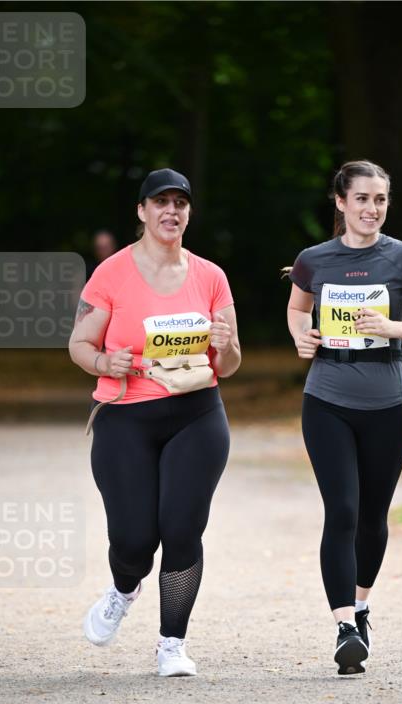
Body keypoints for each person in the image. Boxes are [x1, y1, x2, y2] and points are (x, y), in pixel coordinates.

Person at [286, 159, 402, 676]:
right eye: (361, 198)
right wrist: (301, 335)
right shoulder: (314, 259)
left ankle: (361, 607)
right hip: (327, 401)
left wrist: (391, 327)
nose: (371, 209)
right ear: (340, 202)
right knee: (341, 510)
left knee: (372, 517)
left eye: (380, 199)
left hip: (387, 403)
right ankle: (343, 628)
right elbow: (297, 308)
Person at [69, 168, 240, 677]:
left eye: (181, 204)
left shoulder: (211, 276)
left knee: (183, 530)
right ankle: (123, 588)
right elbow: (78, 344)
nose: (172, 212)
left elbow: (229, 365)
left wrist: (226, 344)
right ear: (142, 211)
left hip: (197, 415)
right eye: (160, 202)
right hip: (126, 417)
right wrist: (104, 363)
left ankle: (172, 644)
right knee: (134, 539)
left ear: (189, 213)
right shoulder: (112, 273)